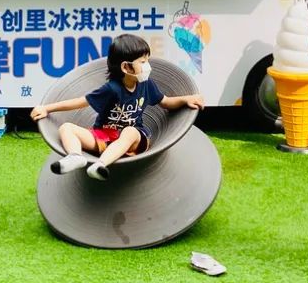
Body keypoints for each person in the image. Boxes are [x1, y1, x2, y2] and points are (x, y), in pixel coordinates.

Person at [30, 34, 204, 181]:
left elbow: (165, 102)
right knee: (66, 128)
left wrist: (186, 99)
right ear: (126, 67)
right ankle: (75, 156)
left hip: (134, 139)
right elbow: (81, 102)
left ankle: (100, 165)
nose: (147, 66)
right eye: (143, 62)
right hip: (105, 137)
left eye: (147, 61)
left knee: (129, 131)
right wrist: (47, 108)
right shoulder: (111, 89)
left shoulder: (147, 85)